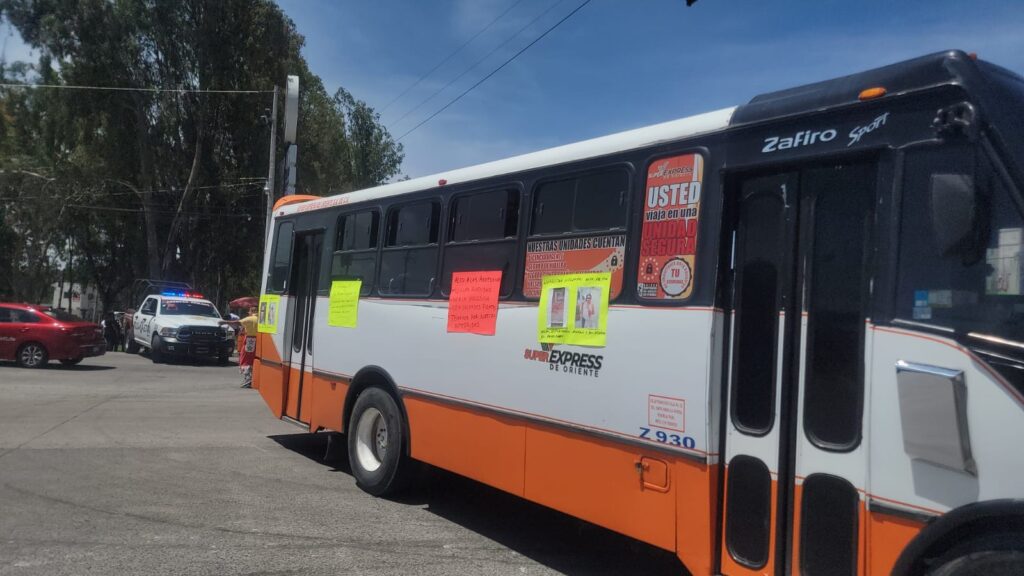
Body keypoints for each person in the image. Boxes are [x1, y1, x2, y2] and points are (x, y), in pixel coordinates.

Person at [238, 306, 258, 388]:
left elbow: (237, 322)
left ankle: (248, 379)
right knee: (251, 359)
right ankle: (250, 378)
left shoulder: (250, 319)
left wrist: (223, 322)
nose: (248, 313)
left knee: (245, 359)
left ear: (252, 311)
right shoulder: (260, 319)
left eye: (249, 311)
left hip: (249, 340)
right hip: (256, 340)